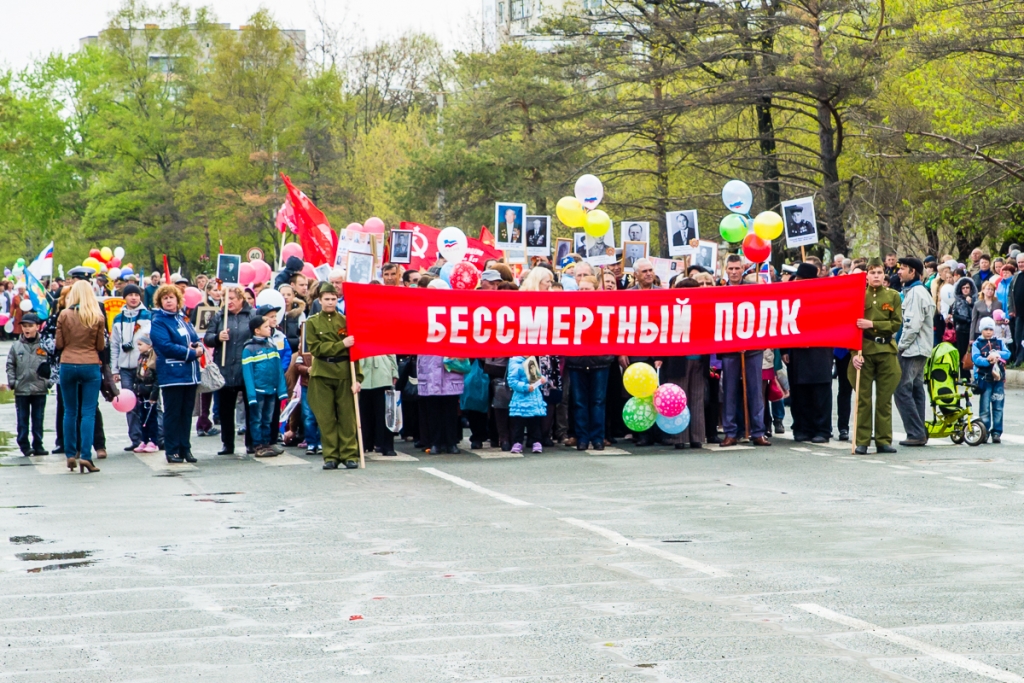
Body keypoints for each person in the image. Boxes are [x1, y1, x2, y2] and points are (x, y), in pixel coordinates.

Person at [305, 283, 363, 470]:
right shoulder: (312, 322)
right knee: (326, 417)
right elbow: (315, 348)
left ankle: (349, 454)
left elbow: (356, 352)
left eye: (333, 299)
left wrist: (358, 379)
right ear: (319, 300)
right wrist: (341, 345)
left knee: (348, 417)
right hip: (322, 371)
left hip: (345, 372)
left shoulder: (347, 321)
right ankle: (330, 456)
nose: (330, 302)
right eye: (327, 299)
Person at [850, 259, 902, 454]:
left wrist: (873, 324)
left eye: (880, 272)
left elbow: (896, 324)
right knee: (863, 398)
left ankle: (883, 440)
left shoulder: (893, 296)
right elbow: (851, 328)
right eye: (872, 273)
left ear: (884, 275)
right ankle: (862, 440)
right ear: (866, 276)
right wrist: (854, 354)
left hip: (886, 349)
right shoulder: (858, 297)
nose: (877, 276)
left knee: (884, 398)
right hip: (864, 350)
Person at [719, 255, 770, 447]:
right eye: (730, 268)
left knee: (756, 391)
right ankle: (730, 432)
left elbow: (762, 314)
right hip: (729, 349)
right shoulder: (719, 291)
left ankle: (758, 432)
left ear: (743, 269)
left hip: (753, 348)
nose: (733, 272)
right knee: (729, 392)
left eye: (737, 268)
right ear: (726, 269)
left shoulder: (753, 288)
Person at [55, 281, 106, 473]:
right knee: (89, 412)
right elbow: (100, 346)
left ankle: (70, 454)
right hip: (90, 363)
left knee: (70, 411)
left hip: (68, 362)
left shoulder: (64, 314)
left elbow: (59, 344)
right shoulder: (97, 316)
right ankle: (86, 456)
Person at [150, 284, 202, 464]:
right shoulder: (158, 321)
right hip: (172, 374)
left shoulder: (183, 318)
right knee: (173, 413)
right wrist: (189, 353)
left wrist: (198, 347)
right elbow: (164, 345)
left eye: (172, 297)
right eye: (165, 298)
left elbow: (194, 338)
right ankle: (172, 449)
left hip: (189, 374)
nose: (169, 300)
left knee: (186, 413)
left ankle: (185, 448)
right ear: (160, 302)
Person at [784, 263, 835, 443]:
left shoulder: (825, 296)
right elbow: (784, 321)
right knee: (800, 392)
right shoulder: (791, 295)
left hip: (819, 351)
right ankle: (802, 428)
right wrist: (784, 348)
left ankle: (822, 429)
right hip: (797, 352)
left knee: (820, 392)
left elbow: (830, 322)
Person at [204, 287, 254, 455]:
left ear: (241, 299)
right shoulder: (220, 316)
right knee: (226, 409)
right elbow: (207, 338)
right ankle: (227, 443)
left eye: (233, 298)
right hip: (224, 367)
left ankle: (251, 442)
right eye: (227, 298)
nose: (230, 301)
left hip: (246, 367)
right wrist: (218, 337)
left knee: (250, 407)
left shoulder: (251, 315)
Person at [894, 256, 936, 447]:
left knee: (902, 389)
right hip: (921, 347)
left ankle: (915, 432)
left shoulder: (915, 293)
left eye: (903, 268)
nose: (899, 271)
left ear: (914, 272)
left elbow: (911, 325)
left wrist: (900, 346)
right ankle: (920, 431)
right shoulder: (918, 291)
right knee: (916, 389)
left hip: (912, 349)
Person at [110, 283, 152, 452]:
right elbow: (114, 345)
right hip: (125, 367)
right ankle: (135, 438)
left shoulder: (147, 315)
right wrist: (114, 369)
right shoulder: (118, 318)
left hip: (143, 365)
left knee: (146, 401)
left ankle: (151, 437)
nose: (133, 298)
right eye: (130, 295)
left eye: (136, 294)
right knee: (130, 402)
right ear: (124, 297)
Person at [241, 315, 288, 458]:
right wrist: (251, 395)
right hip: (258, 390)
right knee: (256, 419)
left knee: (267, 419)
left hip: (271, 390)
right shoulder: (249, 349)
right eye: (266, 327)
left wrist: (281, 390)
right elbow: (247, 374)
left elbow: (278, 370)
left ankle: (267, 443)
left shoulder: (272, 346)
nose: (270, 329)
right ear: (257, 330)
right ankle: (258, 444)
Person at [6, 312, 49, 456]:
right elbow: (10, 365)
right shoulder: (16, 346)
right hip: (22, 388)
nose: (27, 329)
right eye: (24, 326)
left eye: (30, 326)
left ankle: (38, 444)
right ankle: (24, 444)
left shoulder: (44, 345)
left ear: (37, 327)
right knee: (22, 420)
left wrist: (48, 381)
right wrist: (13, 382)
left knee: (38, 419)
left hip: (39, 388)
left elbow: (52, 363)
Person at [971, 317, 1010, 443]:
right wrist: (988, 360)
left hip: (998, 380)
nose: (988, 332)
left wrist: (997, 354)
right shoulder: (977, 344)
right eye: (986, 329)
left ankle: (997, 432)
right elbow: (976, 359)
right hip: (984, 379)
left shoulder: (999, 342)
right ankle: (985, 431)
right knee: (985, 408)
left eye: (990, 329)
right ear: (981, 330)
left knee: (998, 406)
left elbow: (1007, 353)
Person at [359, 353, 399, 456]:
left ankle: (386, 445)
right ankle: (362, 443)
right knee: (362, 413)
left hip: (383, 372)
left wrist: (394, 371)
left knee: (385, 413)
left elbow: (390, 350)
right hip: (361, 371)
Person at [507, 356, 548, 454]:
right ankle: (517, 442)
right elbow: (512, 381)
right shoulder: (515, 363)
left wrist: (541, 380)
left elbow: (536, 377)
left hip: (533, 398)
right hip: (521, 399)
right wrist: (525, 387)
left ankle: (536, 441)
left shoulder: (531, 360)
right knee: (519, 423)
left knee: (535, 422)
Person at [131, 333, 161, 453]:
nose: (138, 347)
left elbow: (157, 379)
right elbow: (137, 375)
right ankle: (144, 439)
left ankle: (153, 441)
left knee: (151, 418)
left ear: (149, 345)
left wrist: (154, 395)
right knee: (142, 417)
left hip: (150, 393)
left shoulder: (153, 358)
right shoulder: (141, 357)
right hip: (141, 392)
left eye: (140, 344)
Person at [950, 276, 976, 374]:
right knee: (961, 351)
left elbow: (976, 313)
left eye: (967, 288)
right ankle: (964, 373)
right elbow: (955, 315)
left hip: (973, 329)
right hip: (961, 329)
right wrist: (966, 320)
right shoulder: (957, 301)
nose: (965, 290)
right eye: (963, 288)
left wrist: (970, 303)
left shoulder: (975, 300)